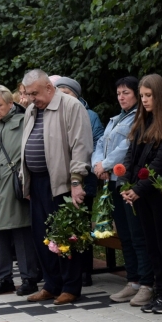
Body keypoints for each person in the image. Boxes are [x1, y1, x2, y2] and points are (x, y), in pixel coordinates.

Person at [20, 69, 93, 305]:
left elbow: (80, 146)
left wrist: (76, 182)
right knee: (42, 236)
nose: (31, 98)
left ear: (49, 88)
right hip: (38, 181)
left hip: (62, 183)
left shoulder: (71, 106)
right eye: (28, 94)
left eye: (35, 93)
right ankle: (51, 285)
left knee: (65, 236)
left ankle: (70, 287)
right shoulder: (32, 109)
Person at [121, 74, 162, 314]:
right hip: (141, 194)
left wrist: (139, 188)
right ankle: (160, 289)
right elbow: (130, 155)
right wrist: (126, 183)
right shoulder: (141, 121)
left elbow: (160, 161)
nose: (145, 101)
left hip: (158, 194)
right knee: (151, 245)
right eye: (143, 96)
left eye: (149, 96)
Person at [92, 77, 155, 307]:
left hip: (128, 183)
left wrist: (106, 165)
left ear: (136, 95)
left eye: (126, 92)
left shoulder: (138, 118)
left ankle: (146, 282)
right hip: (113, 183)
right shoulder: (114, 119)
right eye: (118, 92)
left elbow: (125, 148)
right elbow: (99, 145)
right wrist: (98, 166)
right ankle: (133, 280)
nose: (121, 97)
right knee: (125, 235)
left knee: (137, 235)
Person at [0, 85, 41, 297]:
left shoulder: (23, 122)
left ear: (10, 104)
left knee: (21, 232)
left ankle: (29, 278)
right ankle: (4, 279)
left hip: (13, 186)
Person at [55, 76, 104, 286]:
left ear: (75, 95)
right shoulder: (55, 115)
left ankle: (85, 271)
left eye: (65, 94)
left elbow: (93, 145)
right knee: (65, 226)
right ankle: (67, 270)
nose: (62, 98)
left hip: (84, 180)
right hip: (61, 181)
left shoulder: (90, 116)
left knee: (81, 225)